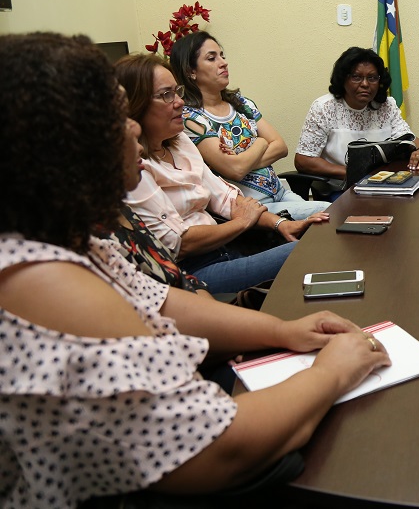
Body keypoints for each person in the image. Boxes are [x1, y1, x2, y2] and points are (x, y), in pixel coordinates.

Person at [0, 32, 390, 507]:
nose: (133, 131)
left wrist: (285, 331)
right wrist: (332, 372)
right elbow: (218, 448)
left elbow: (164, 302)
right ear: (65, 146)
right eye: (118, 116)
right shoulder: (41, 283)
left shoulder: (74, 239)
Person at [117, 54, 326, 294]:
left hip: (226, 248)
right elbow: (180, 243)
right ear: (135, 105)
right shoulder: (136, 168)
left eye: (177, 92)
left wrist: (280, 224)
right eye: (166, 95)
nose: (180, 102)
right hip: (193, 271)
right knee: (308, 251)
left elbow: (225, 198)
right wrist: (242, 222)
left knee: (317, 238)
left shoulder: (179, 142)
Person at [169, 31, 328, 220]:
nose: (223, 62)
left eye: (222, 56)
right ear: (191, 71)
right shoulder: (191, 118)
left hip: (280, 192)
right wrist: (261, 142)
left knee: (327, 223)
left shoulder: (241, 103)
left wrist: (243, 161)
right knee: (331, 211)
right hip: (252, 207)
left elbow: (280, 147)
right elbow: (235, 170)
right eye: (212, 58)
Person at [294, 46, 419, 181]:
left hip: (383, 182)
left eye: (372, 78)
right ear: (343, 79)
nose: (365, 84)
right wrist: (355, 174)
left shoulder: (386, 105)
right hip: (341, 184)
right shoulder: (324, 107)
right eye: (356, 77)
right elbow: (304, 160)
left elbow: (408, 138)